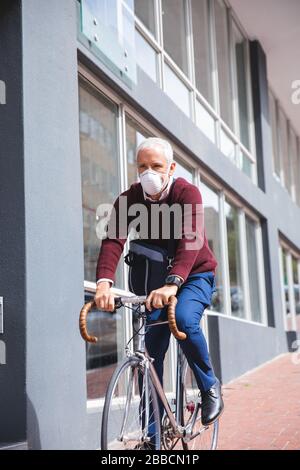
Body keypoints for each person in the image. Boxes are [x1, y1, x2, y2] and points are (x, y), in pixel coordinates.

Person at [94, 137, 224, 428]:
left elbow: (191, 238)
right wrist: (104, 281)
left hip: (195, 275)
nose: (148, 172)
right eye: (142, 166)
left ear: (171, 167)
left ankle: (209, 387)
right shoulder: (129, 199)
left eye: (156, 166)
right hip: (157, 287)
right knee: (149, 355)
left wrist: (173, 282)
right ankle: (151, 438)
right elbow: (114, 239)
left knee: (183, 319)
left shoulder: (187, 193)